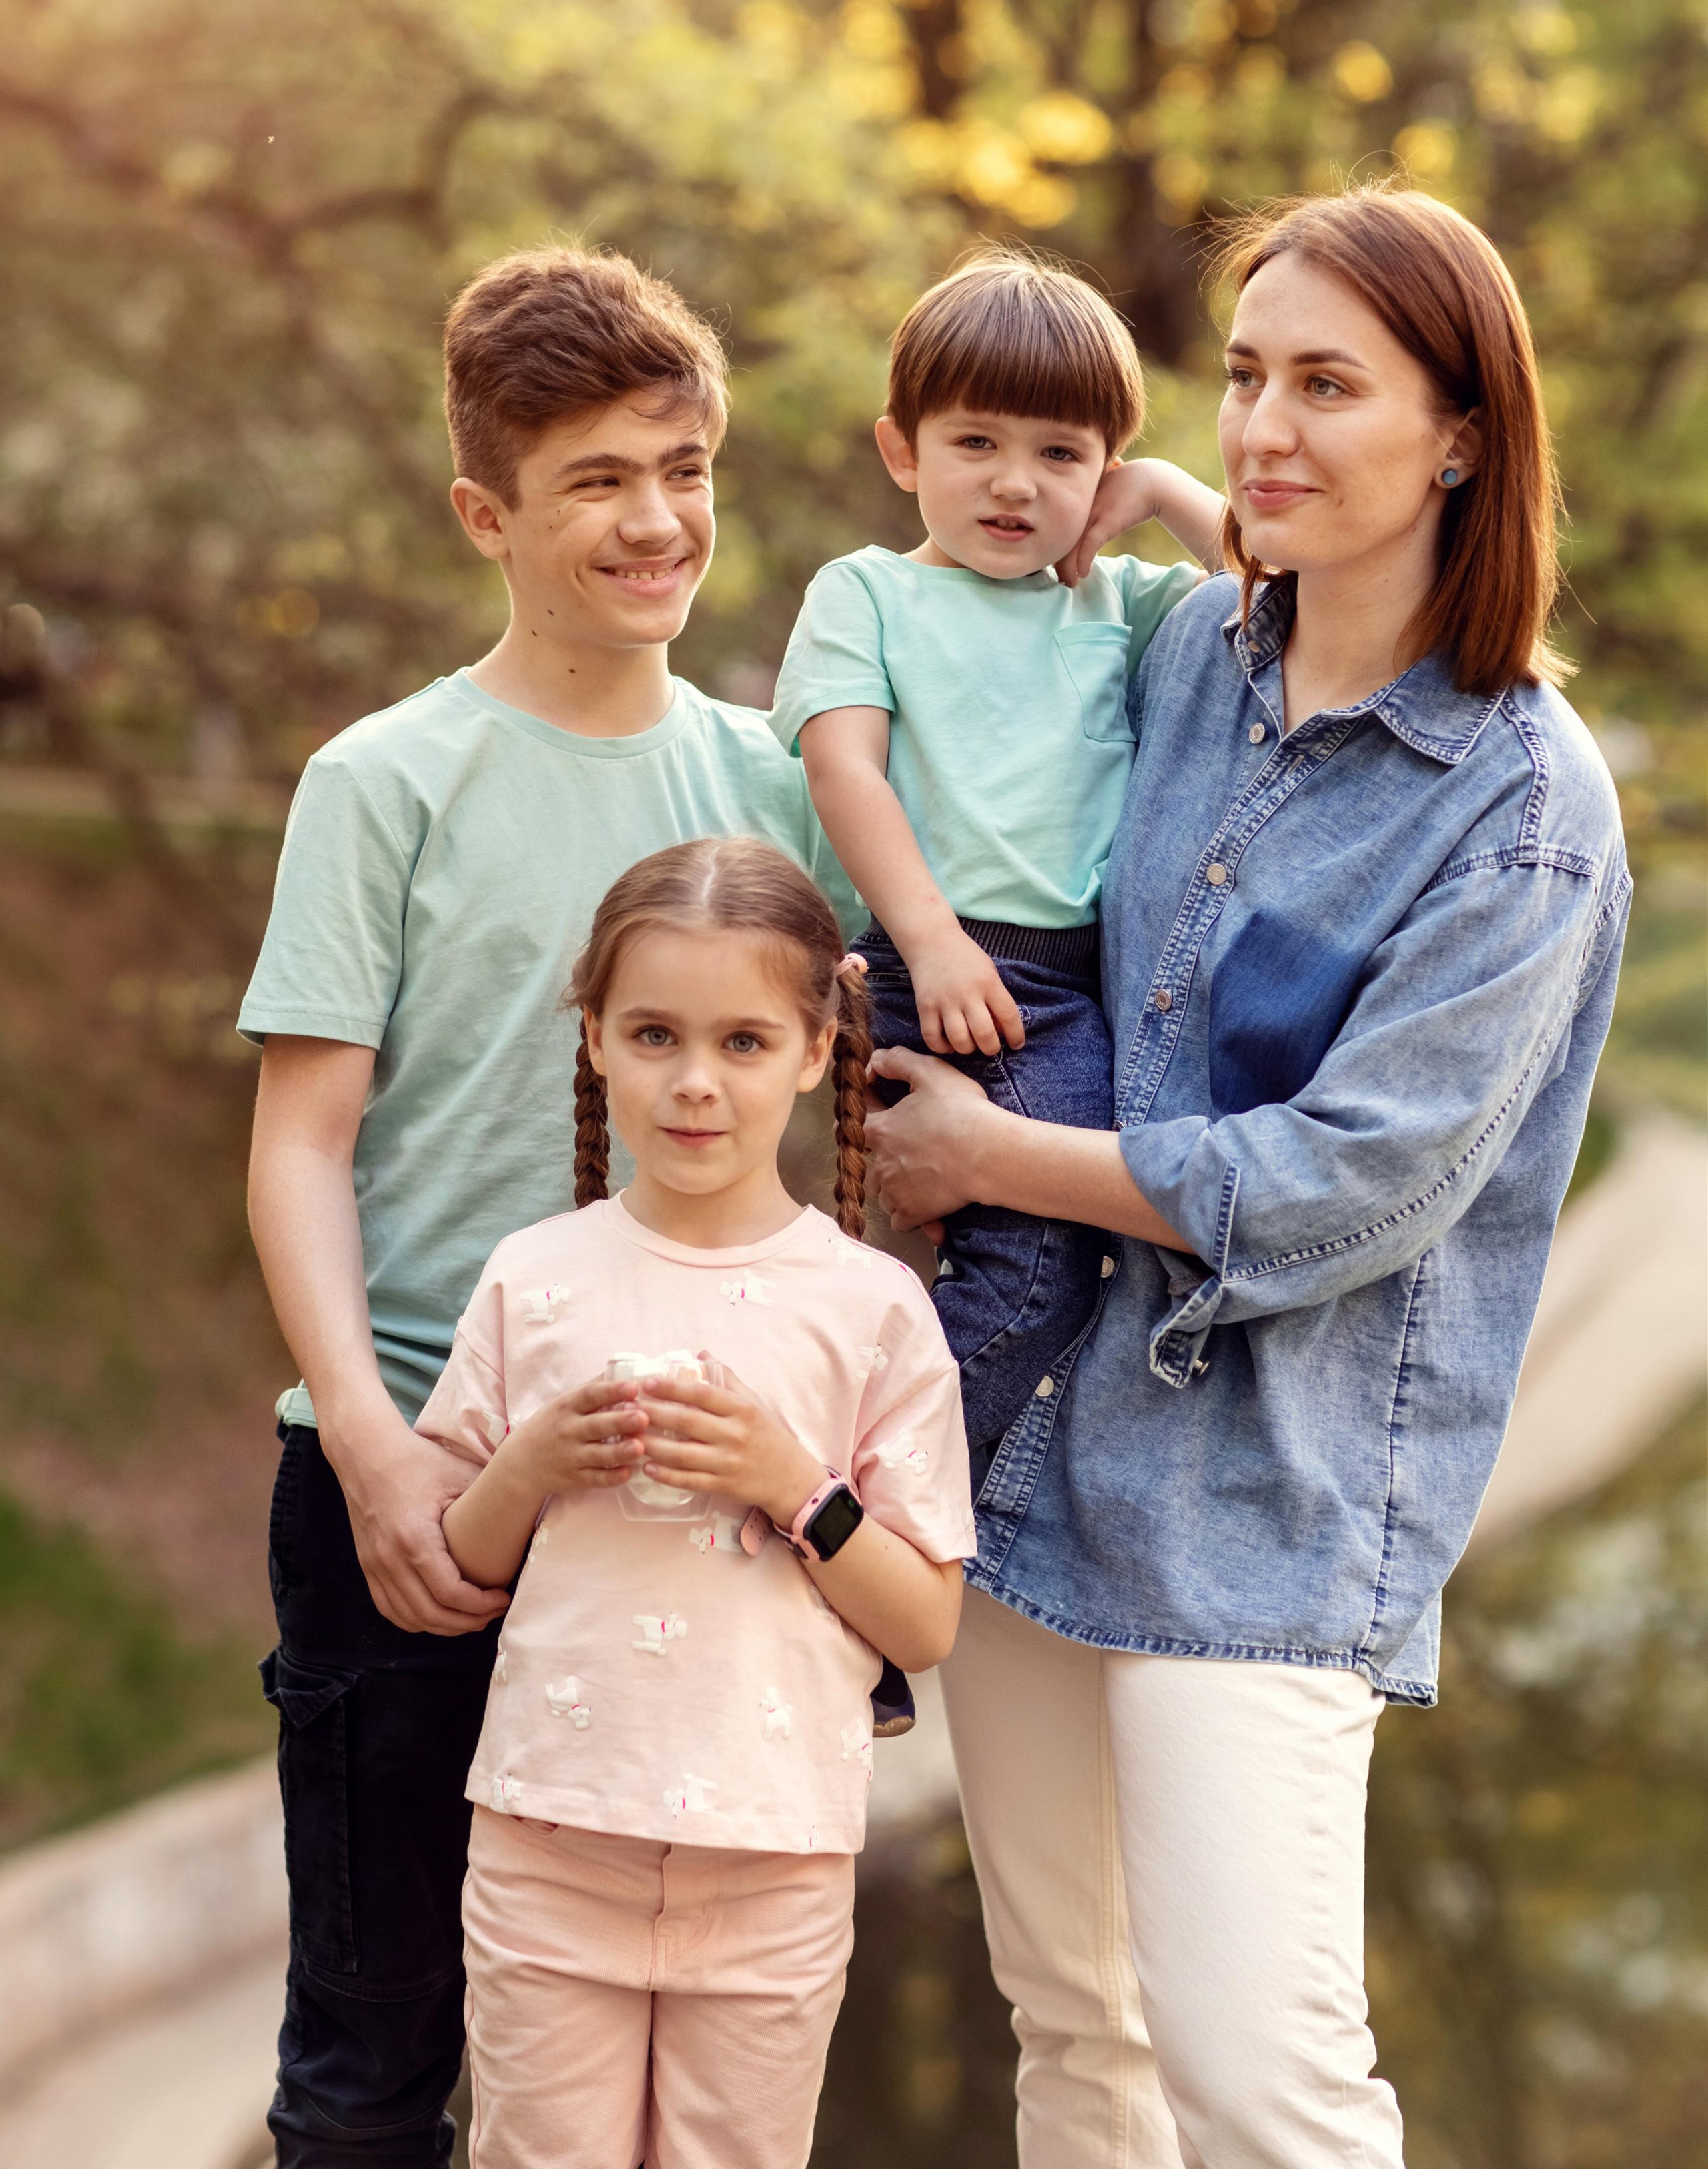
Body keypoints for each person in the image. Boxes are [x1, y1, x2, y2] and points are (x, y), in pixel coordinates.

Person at [864, 185, 1631, 2168]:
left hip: (1269, 1508)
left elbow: (1351, 1186)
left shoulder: (1524, 810)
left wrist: (993, 1151)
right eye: (1244, 377)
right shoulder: (1194, 657)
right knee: (1078, 2039)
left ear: (1462, 431)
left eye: (1328, 386)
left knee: (1259, 2079)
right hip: (1040, 1452)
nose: (1266, 425)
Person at [241, 246, 861, 2169]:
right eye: (597, 479)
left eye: (683, 466)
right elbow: (300, 1143)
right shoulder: (384, 782)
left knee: (672, 2070)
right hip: (418, 1487)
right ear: (486, 514)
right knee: (370, 2068)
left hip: (700, 1509)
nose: (657, 518)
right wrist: (367, 1448)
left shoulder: (773, 785)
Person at [414, 837, 974, 2169]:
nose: (694, 1083)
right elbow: (459, 1564)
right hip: (551, 1847)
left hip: (772, 1862)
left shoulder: (872, 1308)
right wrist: (534, 1464)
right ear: (595, 1037)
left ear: (809, 1048)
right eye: (654, 1034)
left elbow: (928, 1625)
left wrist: (797, 1487)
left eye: (740, 1041)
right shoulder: (532, 1276)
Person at [769, 248, 1221, 1445]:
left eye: (1061, 454)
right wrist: (936, 940)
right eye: (976, 443)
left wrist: (1170, 491)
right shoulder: (868, 592)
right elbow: (844, 768)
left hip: (1078, 989)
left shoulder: (1117, 602)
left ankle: (863, 1469)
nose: (1016, 485)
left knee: (1057, 1264)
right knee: (1039, 1278)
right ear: (902, 450)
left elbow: (1296, 596)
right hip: (944, 968)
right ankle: (866, 1506)